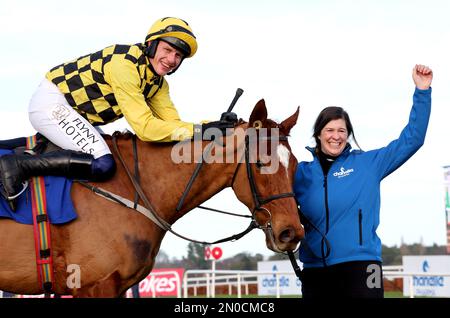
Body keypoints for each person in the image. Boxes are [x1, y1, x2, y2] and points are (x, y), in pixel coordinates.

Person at [0, 17, 236, 211]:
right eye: (168, 50)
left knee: (105, 153)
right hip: (53, 103)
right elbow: (146, 129)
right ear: (152, 45)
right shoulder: (125, 65)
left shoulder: (158, 84)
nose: (172, 60)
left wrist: (212, 126)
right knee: (104, 164)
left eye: (178, 56)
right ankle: (17, 165)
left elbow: (172, 126)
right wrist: (202, 130)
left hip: (76, 114)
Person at [293, 64, 433, 298]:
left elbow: (413, 139)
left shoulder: (369, 164)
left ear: (348, 134)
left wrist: (422, 92)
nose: (336, 136)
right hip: (315, 270)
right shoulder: (301, 173)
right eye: (329, 130)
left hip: (361, 265)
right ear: (318, 134)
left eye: (342, 130)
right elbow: (269, 187)